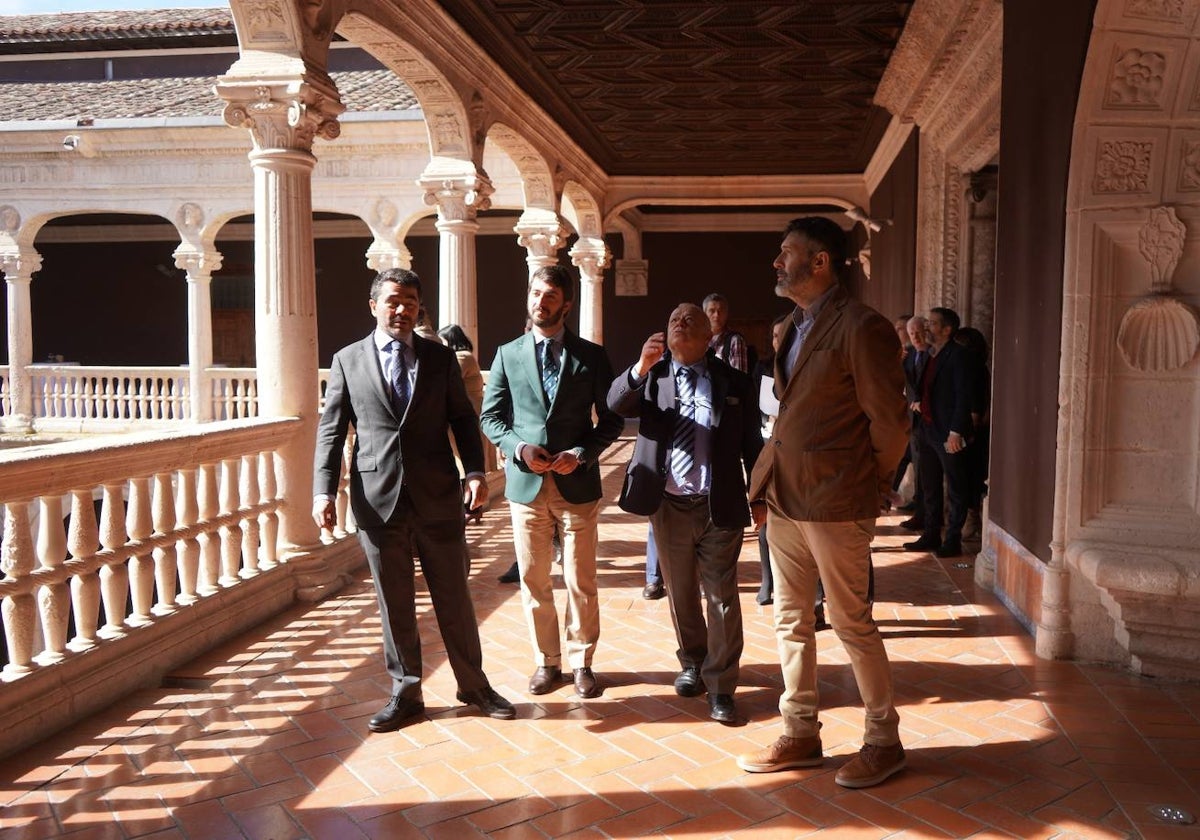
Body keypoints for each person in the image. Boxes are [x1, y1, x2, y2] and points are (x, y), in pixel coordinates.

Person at [737, 217, 909, 789]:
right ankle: (801, 731)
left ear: (820, 263)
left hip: (837, 499)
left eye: (786, 252)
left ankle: (884, 740)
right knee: (790, 619)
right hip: (785, 496)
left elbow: (890, 421)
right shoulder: (789, 326)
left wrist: (871, 481)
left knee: (850, 621)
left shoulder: (862, 327)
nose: (776, 262)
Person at [312, 268, 515, 731]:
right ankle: (406, 693)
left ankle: (473, 685)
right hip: (376, 499)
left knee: (455, 598)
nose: (401, 309)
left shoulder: (439, 359)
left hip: (438, 497)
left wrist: (477, 471)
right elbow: (331, 430)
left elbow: (464, 419)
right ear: (374, 306)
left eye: (410, 302)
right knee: (394, 601)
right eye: (392, 301)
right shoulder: (347, 360)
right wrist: (323, 490)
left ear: (419, 308)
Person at [608, 303, 762, 724]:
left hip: (718, 503)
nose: (679, 322)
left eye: (689, 318)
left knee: (722, 598)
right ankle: (693, 661)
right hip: (669, 504)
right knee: (680, 593)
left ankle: (722, 685)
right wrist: (640, 365)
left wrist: (761, 497)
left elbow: (752, 443)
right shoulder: (653, 376)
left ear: (709, 333)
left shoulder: (733, 381)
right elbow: (616, 404)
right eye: (673, 318)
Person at [480, 265, 623, 699]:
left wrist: (580, 453)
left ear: (566, 304)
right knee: (534, 579)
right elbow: (491, 417)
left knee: (580, 578)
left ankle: (582, 661)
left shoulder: (591, 356)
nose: (540, 302)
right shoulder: (508, 354)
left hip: (575, 483)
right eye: (535, 294)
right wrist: (520, 448)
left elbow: (613, 418)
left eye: (550, 296)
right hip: (525, 486)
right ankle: (548, 662)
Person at [904, 307, 975, 558]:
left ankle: (952, 539)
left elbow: (962, 397)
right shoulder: (931, 355)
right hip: (927, 430)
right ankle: (931, 534)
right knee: (930, 486)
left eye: (932, 324)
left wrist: (956, 432)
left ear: (947, 330)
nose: (926, 328)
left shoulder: (959, 356)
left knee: (955, 487)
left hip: (948, 433)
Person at [438, 324, 487, 523]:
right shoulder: (467, 356)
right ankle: (474, 508)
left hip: (466, 415)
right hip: (471, 411)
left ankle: (470, 507)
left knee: (464, 464)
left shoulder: (462, 357)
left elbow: (445, 377)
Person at [898, 315, 930, 526]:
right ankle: (920, 514)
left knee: (928, 473)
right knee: (918, 469)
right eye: (912, 334)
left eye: (919, 332)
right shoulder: (907, 358)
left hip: (931, 421)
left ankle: (926, 515)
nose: (916, 337)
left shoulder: (934, 355)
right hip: (913, 423)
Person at [703, 292, 751, 373]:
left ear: (726, 314)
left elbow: (739, 377)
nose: (716, 315)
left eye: (720, 311)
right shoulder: (698, 341)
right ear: (704, 314)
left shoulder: (735, 341)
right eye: (712, 311)